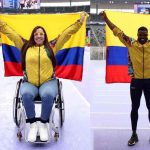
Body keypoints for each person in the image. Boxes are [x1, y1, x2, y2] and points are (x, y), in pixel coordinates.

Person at [0, 12, 87, 142]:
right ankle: (33, 124)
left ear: (45, 36)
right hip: (30, 82)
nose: (39, 36)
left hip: (48, 82)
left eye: (41, 34)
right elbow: (10, 33)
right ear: (32, 36)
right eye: (36, 34)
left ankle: (43, 123)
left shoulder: (52, 47)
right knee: (26, 95)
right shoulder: (25, 46)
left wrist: (79, 22)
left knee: (47, 95)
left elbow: (66, 34)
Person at [100, 11, 150, 146]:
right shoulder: (131, 43)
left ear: (148, 35)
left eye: (145, 34)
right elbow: (117, 31)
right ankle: (134, 134)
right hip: (136, 81)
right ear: (137, 35)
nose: (143, 36)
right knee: (135, 108)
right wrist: (106, 19)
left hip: (149, 82)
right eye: (140, 34)